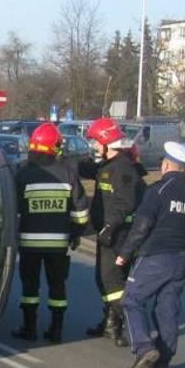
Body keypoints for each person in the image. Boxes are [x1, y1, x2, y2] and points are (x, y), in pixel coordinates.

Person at [117, 142, 185, 368]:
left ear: (166, 165)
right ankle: (164, 361)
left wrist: (125, 254)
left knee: (132, 300)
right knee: (168, 308)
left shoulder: (158, 191)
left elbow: (141, 226)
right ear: (184, 169)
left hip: (155, 255)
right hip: (180, 259)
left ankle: (144, 348)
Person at [10, 122, 89, 342]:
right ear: (55, 146)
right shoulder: (67, 173)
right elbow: (81, 212)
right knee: (57, 287)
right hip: (58, 244)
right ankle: (56, 330)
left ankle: (29, 328)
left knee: (29, 287)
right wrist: (74, 234)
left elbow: (13, 210)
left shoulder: (23, 173)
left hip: (29, 244)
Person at [78, 117, 146, 346]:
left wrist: (110, 226)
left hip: (118, 234)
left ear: (107, 142)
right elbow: (91, 170)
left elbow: (125, 202)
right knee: (104, 279)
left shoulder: (124, 169)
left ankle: (133, 327)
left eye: (97, 141)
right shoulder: (109, 165)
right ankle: (110, 323)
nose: (95, 146)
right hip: (108, 232)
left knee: (111, 281)